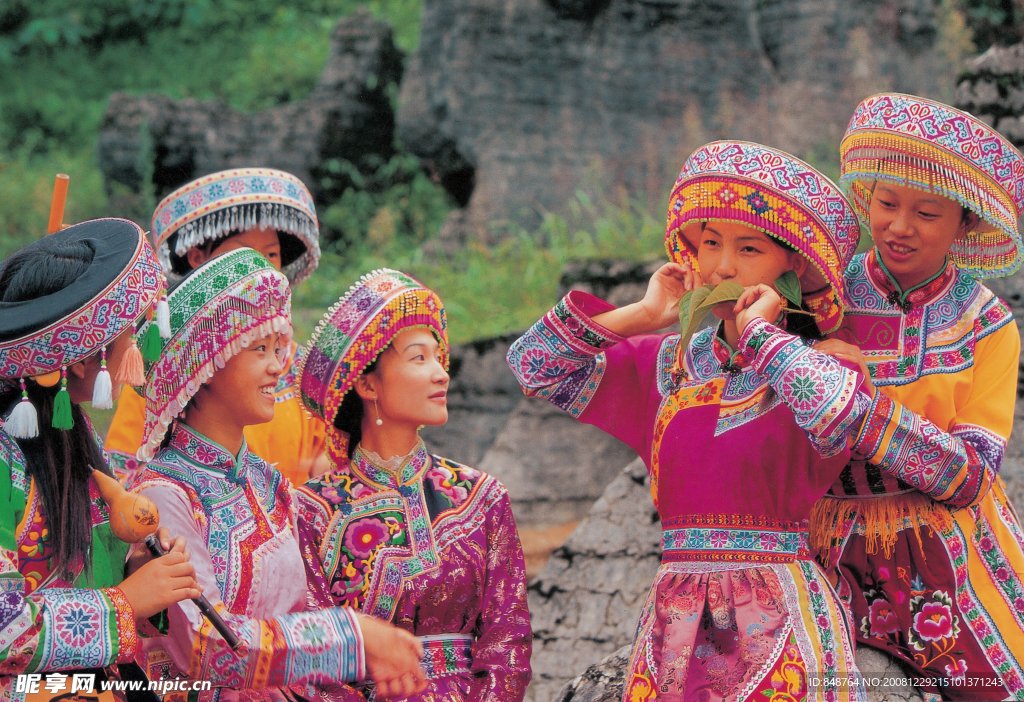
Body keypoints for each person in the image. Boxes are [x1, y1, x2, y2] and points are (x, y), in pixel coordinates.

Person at [507, 142, 873, 701]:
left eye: (748, 248)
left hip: (781, 620)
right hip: (672, 624)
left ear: (793, 263)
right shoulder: (664, 365)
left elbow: (842, 416)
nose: (722, 267)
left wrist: (759, 336)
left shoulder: (828, 365)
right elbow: (533, 366)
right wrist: (643, 315)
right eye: (709, 243)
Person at [129, 250, 425, 702]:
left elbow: (309, 607)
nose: (278, 366)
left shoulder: (267, 483)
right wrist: (351, 638)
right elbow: (211, 647)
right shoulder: (165, 497)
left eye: (279, 348)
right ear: (205, 365)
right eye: (259, 349)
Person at [811, 93, 1024, 700]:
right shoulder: (818, 298)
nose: (899, 227)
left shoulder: (987, 325)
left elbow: (971, 474)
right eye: (886, 203)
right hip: (820, 541)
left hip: (945, 548)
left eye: (928, 212)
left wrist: (862, 414)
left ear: (967, 225)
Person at [293, 269, 533, 701]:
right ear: (367, 384)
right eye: (419, 358)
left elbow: (507, 641)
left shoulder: (482, 498)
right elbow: (312, 651)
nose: (442, 373)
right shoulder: (312, 511)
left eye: (439, 358)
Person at [0, 219, 201, 700]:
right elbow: (6, 632)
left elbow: (99, 573)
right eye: (131, 333)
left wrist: (141, 572)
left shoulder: (74, 433)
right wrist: (125, 602)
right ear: (84, 361)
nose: (139, 345)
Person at [105, 168, 326, 485]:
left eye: (272, 254)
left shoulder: (302, 368)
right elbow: (125, 470)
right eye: (242, 251)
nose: (261, 266)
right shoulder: (171, 366)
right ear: (197, 258)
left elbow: (329, 458)